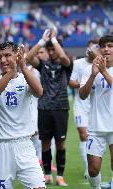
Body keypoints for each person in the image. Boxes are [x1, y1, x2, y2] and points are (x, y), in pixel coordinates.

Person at [0, 41, 45, 189]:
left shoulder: (25, 78)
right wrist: (10, 73)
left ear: (17, 56)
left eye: (7, 55)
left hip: (24, 145)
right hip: (0, 147)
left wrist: (23, 67)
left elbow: (39, 92)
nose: (3, 60)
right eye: (0, 57)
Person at [26, 28, 72, 186]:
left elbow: (64, 58)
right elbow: (29, 57)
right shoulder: (43, 65)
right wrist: (42, 41)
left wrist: (53, 40)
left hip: (61, 108)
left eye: (54, 50)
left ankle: (60, 176)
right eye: (49, 50)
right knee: (45, 143)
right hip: (44, 108)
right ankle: (47, 174)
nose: (52, 53)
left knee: (60, 143)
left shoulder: (66, 65)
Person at [79, 35, 113, 189]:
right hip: (95, 126)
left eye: (110, 46)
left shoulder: (106, 69)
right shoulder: (89, 69)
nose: (106, 49)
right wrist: (93, 74)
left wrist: (103, 71)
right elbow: (82, 95)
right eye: (103, 46)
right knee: (93, 169)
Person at [69, 40, 99, 178]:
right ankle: (88, 168)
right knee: (83, 135)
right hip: (80, 104)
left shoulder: (102, 64)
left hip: (96, 106)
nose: (92, 49)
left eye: (96, 47)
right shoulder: (78, 63)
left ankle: (93, 165)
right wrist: (85, 83)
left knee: (94, 136)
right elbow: (71, 81)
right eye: (91, 46)